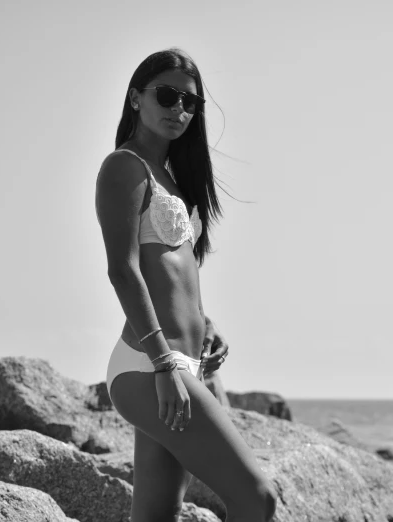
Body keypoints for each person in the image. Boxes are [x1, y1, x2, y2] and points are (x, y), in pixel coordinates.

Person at [95, 48, 277, 522]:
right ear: (136, 98)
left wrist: (206, 325)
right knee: (257, 499)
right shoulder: (124, 167)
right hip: (151, 364)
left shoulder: (172, 180)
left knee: (157, 515)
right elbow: (124, 270)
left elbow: (174, 276)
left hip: (184, 366)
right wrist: (164, 364)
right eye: (168, 95)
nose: (179, 109)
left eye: (190, 103)